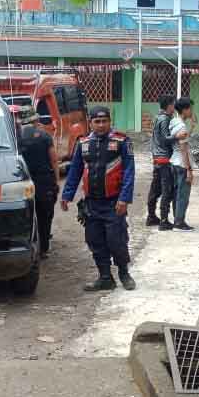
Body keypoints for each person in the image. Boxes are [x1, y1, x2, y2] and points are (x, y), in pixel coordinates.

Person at [60, 106, 137, 291]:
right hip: (91, 204)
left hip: (114, 203)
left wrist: (124, 199)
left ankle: (124, 273)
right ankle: (105, 277)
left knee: (116, 240)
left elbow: (129, 172)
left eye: (104, 121)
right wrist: (67, 195)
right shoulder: (83, 143)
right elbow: (75, 171)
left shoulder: (121, 141)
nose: (101, 125)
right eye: (97, 122)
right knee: (95, 241)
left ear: (110, 122)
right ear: (91, 122)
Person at [19, 115, 59, 258]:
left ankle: (26, 246)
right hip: (44, 182)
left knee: (25, 214)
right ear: (35, 121)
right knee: (45, 215)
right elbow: (54, 160)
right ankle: (43, 249)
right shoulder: (44, 136)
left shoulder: (15, 137)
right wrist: (56, 181)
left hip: (23, 180)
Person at [146, 95, 183, 227]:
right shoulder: (165, 119)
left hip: (157, 158)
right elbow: (164, 139)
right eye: (173, 104)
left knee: (155, 189)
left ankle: (151, 216)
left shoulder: (158, 117)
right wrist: (177, 136)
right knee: (167, 190)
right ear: (169, 105)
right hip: (164, 159)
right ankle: (164, 220)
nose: (174, 107)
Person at [165, 98, 195, 232]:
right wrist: (189, 169)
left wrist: (193, 126)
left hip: (174, 162)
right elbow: (183, 148)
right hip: (182, 163)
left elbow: (184, 137)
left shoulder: (174, 122)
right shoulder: (181, 126)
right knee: (183, 194)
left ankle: (178, 220)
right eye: (190, 108)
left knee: (177, 192)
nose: (192, 111)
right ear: (185, 109)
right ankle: (179, 222)